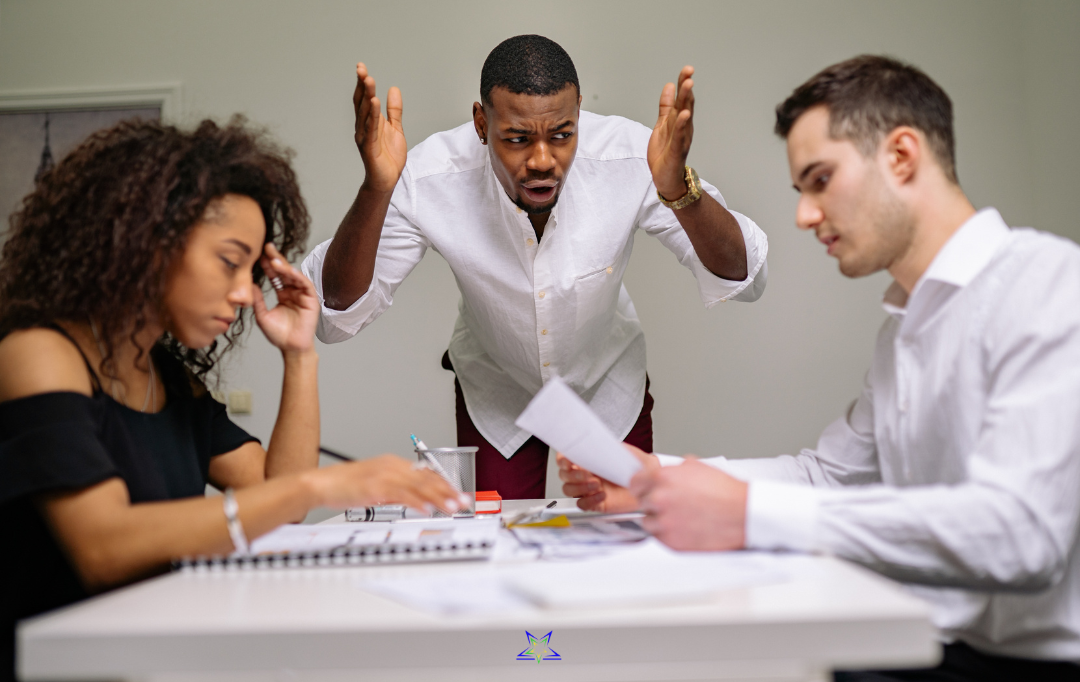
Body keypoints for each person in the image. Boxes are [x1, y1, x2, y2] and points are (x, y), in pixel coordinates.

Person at [559, 55, 1080, 680]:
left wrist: (748, 514)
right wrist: (654, 475)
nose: (805, 216)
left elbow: (1020, 535)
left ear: (903, 156)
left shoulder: (1049, 285)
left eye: (821, 180)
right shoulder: (905, 332)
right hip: (935, 646)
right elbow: (827, 478)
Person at [0, 117, 466, 681]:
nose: (246, 294)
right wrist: (319, 484)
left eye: (251, 270)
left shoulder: (168, 378)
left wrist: (300, 355)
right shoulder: (37, 355)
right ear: (147, 241)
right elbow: (104, 548)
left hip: (144, 658)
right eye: (228, 261)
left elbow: (277, 504)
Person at [302, 34, 769, 499]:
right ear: (482, 123)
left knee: (627, 536)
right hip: (497, 390)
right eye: (518, 138)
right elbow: (335, 313)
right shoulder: (428, 176)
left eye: (562, 134)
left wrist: (676, 191)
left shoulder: (636, 157)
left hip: (607, 386)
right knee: (492, 540)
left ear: (580, 113)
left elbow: (744, 274)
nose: (542, 161)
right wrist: (376, 189)